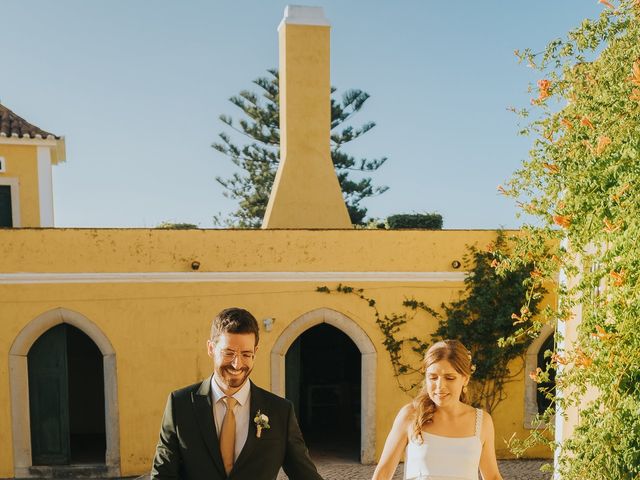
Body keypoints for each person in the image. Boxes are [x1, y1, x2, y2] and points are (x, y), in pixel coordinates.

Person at [151, 307, 324, 480]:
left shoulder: (280, 411)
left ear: (255, 352)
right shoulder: (180, 404)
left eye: (246, 354)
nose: (237, 364)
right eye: (229, 353)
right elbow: (163, 474)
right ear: (211, 348)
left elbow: (305, 475)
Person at [372, 340, 503, 480]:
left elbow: (493, 476)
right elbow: (383, 473)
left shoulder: (482, 421)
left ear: (465, 379)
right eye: (433, 377)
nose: (440, 386)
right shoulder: (410, 415)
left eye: (450, 378)